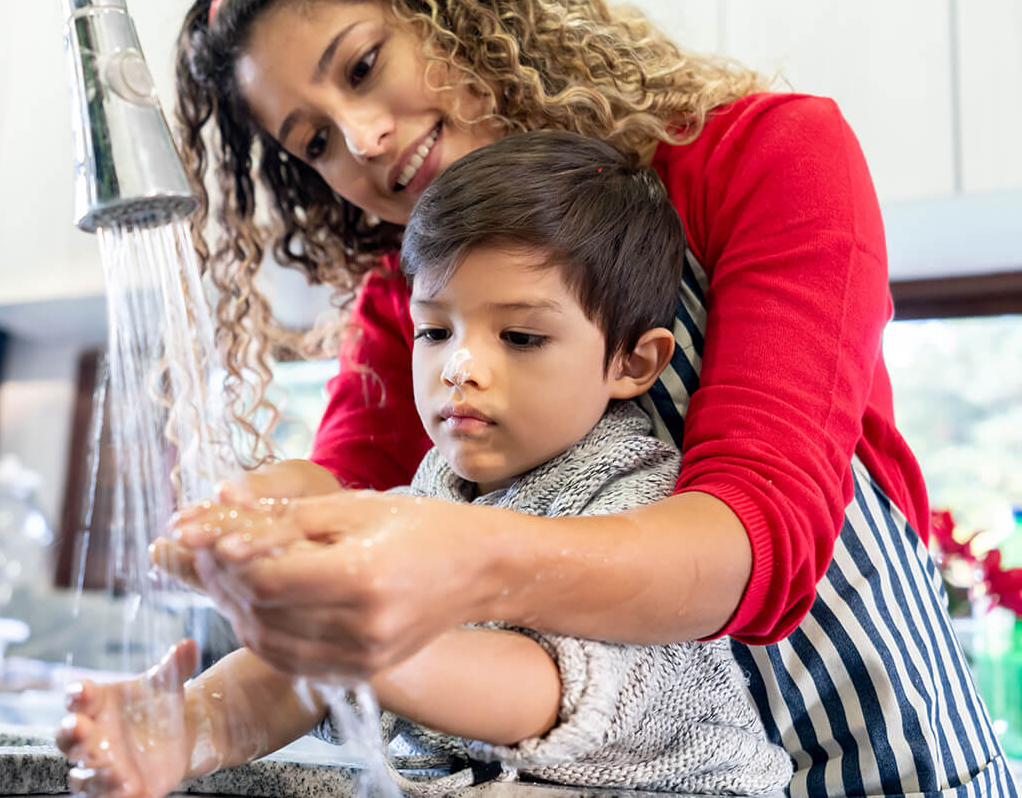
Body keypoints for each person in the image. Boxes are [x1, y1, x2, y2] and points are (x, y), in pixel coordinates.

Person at [160, 0, 1016, 796]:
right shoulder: (399, 299)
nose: (366, 140)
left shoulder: (762, 157)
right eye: (317, 141)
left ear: (454, 8)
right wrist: (261, 519)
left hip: (887, 762)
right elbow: (350, 493)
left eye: (365, 66)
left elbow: (754, 540)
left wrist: (467, 560)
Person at [57, 131, 793, 796]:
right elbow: (304, 676)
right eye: (436, 330)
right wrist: (190, 726)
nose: (461, 367)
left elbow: (551, 688)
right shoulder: (435, 494)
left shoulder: (636, 499)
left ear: (634, 362)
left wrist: (369, 643)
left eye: (523, 338)